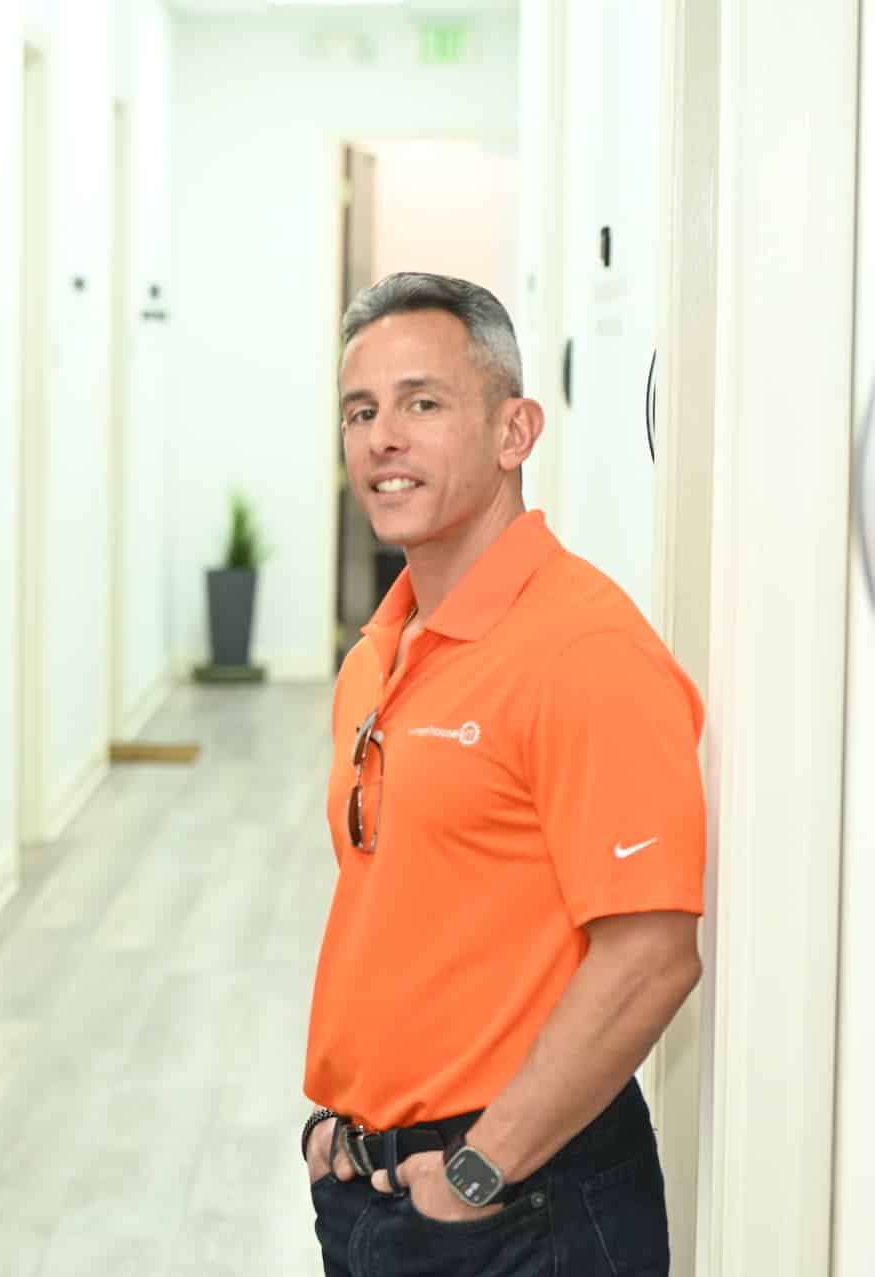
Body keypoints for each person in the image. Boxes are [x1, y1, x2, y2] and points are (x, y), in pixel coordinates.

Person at [300, 272, 706, 1275]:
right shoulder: (378, 654)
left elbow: (652, 954)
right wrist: (335, 1144)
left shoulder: (583, 647)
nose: (382, 436)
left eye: (422, 402)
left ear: (514, 430)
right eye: (363, 409)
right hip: (368, 1190)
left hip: (521, 1205)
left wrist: (481, 1169)